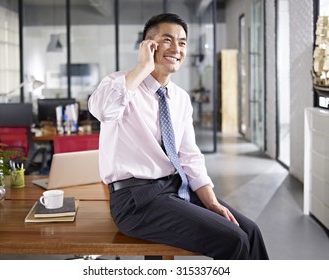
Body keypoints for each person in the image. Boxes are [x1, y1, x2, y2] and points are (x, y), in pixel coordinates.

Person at [88, 13, 269, 260]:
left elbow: (190, 156)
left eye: (182, 42)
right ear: (148, 46)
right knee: (234, 240)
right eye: (167, 40)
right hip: (135, 200)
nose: (176, 48)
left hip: (174, 187)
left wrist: (212, 202)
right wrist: (142, 68)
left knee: (250, 231)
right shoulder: (120, 84)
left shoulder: (180, 98)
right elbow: (102, 110)